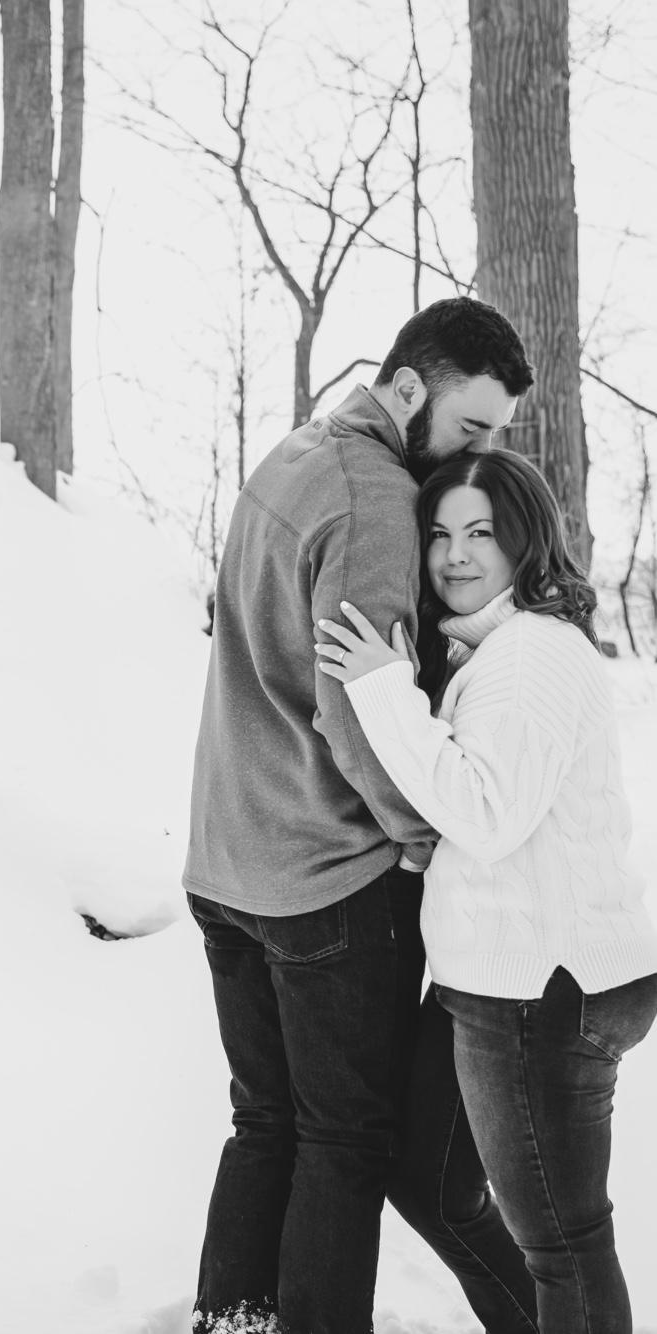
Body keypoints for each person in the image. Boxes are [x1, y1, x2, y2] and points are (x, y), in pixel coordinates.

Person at [184, 296, 534, 1334]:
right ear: (409, 388)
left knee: (265, 1121)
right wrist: (420, 836)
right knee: (343, 1140)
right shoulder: (376, 498)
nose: (478, 456)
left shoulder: (291, 457)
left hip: (227, 860)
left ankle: (232, 1320)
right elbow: (356, 707)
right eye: (469, 428)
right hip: (326, 875)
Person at [316, 449, 657, 1334]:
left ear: (524, 540)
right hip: (496, 982)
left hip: (542, 987)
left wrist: (383, 691)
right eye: (439, 535)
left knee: (566, 1242)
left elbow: (489, 813)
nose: (455, 555)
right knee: (429, 1180)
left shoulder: (531, 655)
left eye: (480, 532)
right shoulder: (498, 652)